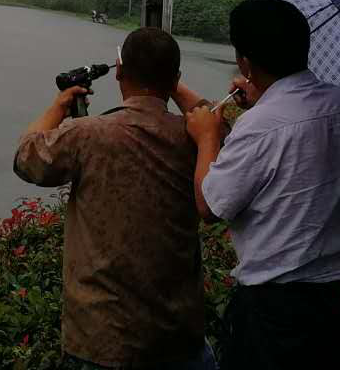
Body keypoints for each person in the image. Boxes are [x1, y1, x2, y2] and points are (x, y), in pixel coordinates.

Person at [177, 0, 340, 369]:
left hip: (279, 315)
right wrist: (262, 102)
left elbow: (209, 205)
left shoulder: (259, 126)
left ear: (245, 62)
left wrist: (207, 138)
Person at [13, 27, 214, 370]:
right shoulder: (197, 137)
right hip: (178, 337)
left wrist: (59, 106)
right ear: (176, 78)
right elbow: (216, 122)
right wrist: (169, 82)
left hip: (102, 340)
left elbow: (26, 158)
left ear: (119, 71)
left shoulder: (88, 134)